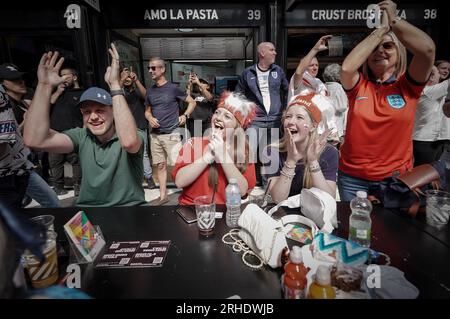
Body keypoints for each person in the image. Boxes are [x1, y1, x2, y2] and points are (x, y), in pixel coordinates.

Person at [24, 43, 146, 207]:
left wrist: (115, 85)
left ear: (113, 110)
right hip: (88, 213)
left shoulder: (134, 133)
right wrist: (44, 86)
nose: (93, 116)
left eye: (100, 110)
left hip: (129, 210)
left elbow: (129, 142)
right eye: (87, 111)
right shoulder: (82, 136)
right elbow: (34, 140)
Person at [338, 0, 435, 201]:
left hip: (394, 180)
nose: (380, 51)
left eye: (388, 46)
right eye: (374, 48)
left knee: (394, 232)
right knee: (354, 230)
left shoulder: (409, 87)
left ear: (399, 54)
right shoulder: (358, 86)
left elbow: (427, 51)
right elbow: (347, 68)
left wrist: (394, 21)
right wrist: (380, 31)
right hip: (352, 179)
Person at [172, 91, 256, 205]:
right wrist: (208, 156)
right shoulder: (193, 143)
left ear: (237, 127)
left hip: (225, 212)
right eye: (217, 112)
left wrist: (222, 155)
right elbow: (179, 181)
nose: (218, 118)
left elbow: (242, 191)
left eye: (227, 116)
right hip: (191, 209)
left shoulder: (244, 153)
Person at [0, 64, 59, 208]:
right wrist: (25, 123)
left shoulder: (22, 103)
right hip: (7, 172)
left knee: (52, 202)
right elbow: (10, 138)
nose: (21, 82)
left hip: (23, 165)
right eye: (14, 80)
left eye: (20, 78)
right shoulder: (7, 105)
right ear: (2, 84)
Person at [263, 93, 338, 204]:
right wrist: (291, 160)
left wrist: (313, 162)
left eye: (299, 117)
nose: (291, 122)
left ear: (313, 126)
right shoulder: (271, 151)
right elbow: (278, 198)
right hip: (283, 213)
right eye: (288, 117)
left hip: (314, 212)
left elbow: (328, 199)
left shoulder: (329, 152)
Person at [235, 42, 289, 187]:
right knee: (248, 153)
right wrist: (242, 116)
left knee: (270, 154)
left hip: (275, 119)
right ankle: (246, 185)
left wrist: (286, 111)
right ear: (262, 53)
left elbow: (288, 90)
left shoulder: (278, 71)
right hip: (255, 121)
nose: (275, 53)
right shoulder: (248, 73)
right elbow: (238, 96)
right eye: (272, 50)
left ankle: (268, 187)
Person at [145, 57, 196, 205]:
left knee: (179, 166)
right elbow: (147, 111)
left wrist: (185, 115)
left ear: (162, 69)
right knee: (160, 166)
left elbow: (192, 102)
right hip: (155, 136)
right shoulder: (150, 91)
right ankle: (163, 196)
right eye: (149, 68)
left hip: (172, 133)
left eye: (153, 68)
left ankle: (189, 195)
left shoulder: (173, 88)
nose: (150, 71)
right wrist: (149, 118)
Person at [288, 35, 339, 145]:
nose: (315, 67)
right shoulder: (299, 80)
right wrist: (315, 49)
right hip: (302, 131)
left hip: (320, 133)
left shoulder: (319, 83)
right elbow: (299, 71)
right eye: (311, 65)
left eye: (316, 65)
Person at [48, 66, 83, 196]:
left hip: (73, 132)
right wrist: (58, 91)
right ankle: (58, 186)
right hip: (55, 133)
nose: (62, 78)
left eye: (65, 75)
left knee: (76, 161)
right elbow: (47, 105)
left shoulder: (82, 93)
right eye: (60, 75)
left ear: (74, 77)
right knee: (55, 161)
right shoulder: (56, 93)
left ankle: (78, 186)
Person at [119, 65, 155, 189]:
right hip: (124, 127)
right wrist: (122, 80)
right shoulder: (119, 91)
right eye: (125, 75)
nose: (128, 78)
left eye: (129, 75)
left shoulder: (137, 90)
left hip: (140, 125)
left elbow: (147, 97)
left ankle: (149, 178)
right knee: (124, 153)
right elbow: (114, 94)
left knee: (143, 154)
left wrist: (137, 81)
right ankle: (130, 179)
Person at [413, 66, 450, 166]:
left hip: (434, 140)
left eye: (433, 74)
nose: (430, 77)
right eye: (428, 74)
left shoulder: (433, 91)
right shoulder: (428, 91)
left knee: (430, 174)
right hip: (426, 142)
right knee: (421, 175)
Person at [322, 63, 349, 146]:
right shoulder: (339, 88)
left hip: (325, 125)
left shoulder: (323, 87)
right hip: (337, 125)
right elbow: (342, 107)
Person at [186, 72, 216, 137]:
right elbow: (187, 96)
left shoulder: (211, 95)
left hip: (207, 123)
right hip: (195, 123)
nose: (200, 84)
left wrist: (199, 83)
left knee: (207, 143)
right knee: (197, 143)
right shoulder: (194, 95)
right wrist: (190, 83)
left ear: (208, 86)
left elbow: (210, 98)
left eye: (203, 83)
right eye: (200, 82)